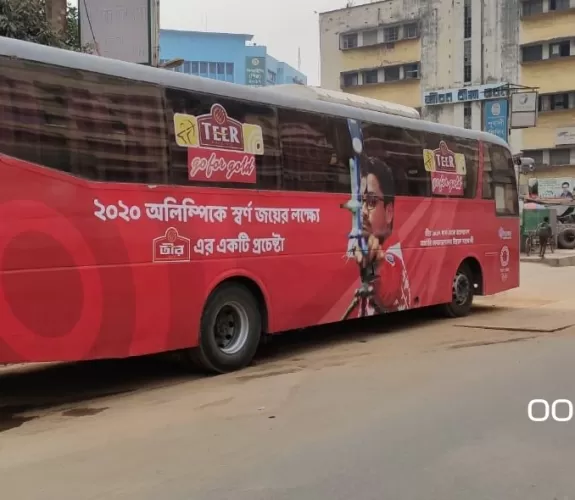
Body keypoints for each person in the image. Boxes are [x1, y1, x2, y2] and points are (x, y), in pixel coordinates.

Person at [352, 156, 411, 315]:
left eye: (371, 202)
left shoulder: (393, 258)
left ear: (389, 212)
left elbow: (387, 292)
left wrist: (376, 266)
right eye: (360, 201)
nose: (363, 211)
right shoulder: (365, 248)